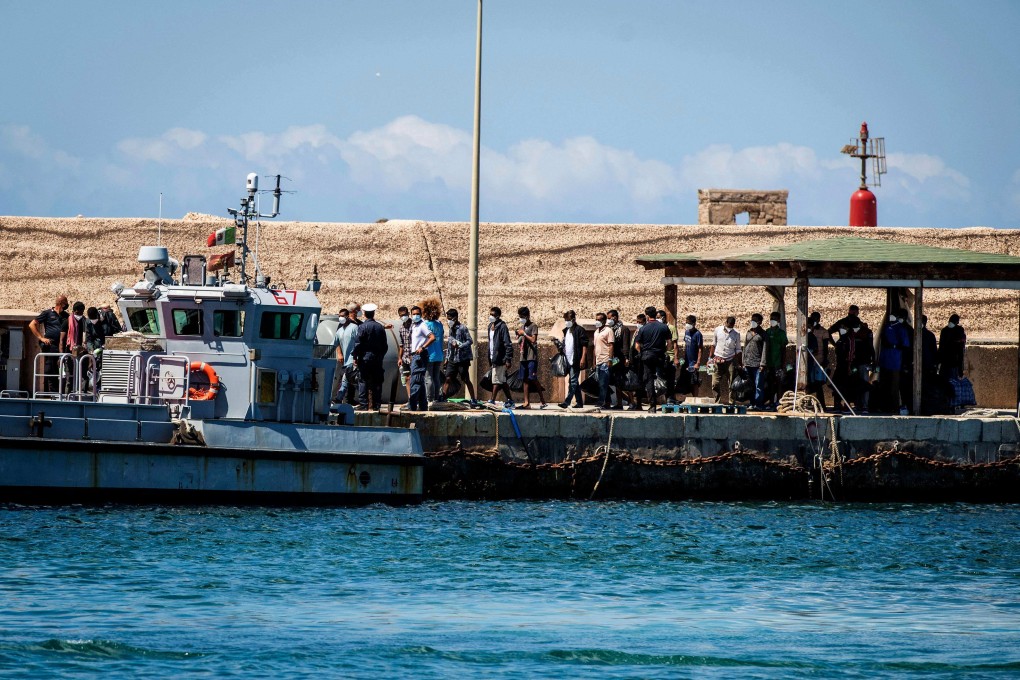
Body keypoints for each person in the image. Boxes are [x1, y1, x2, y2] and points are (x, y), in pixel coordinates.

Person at [633, 305, 672, 412]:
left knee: (649, 380)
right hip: (659, 355)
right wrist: (663, 350)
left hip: (647, 356)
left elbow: (637, 345)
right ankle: (666, 401)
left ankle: (652, 405)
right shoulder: (664, 327)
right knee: (662, 378)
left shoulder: (644, 328)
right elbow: (669, 343)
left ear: (646, 315)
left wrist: (643, 353)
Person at [352, 303, 388, 412]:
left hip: (365, 358)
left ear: (364, 314)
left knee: (363, 380)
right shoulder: (380, 327)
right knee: (377, 381)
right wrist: (380, 356)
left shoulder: (362, 327)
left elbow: (358, 343)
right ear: (373, 313)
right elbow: (385, 345)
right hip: (377, 359)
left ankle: (363, 404)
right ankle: (377, 404)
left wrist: (355, 356)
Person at [28, 295, 67, 393]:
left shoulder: (66, 316)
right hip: (50, 345)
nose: (67, 305)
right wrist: (41, 338)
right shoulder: (47, 313)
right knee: (50, 368)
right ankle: (52, 392)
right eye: (65, 303)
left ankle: (62, 391)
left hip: (62, 345)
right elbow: (32, 324)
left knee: (63, 369)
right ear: (61, 303)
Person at [878, 309, 911, 414]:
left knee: (894, 386)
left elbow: (905, 346)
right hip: (884, 361)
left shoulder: (902, 329)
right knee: (884, 385)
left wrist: (905, 362)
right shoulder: (887, 326)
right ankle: (884, 406)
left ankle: (895, 407)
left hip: (895, 362)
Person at [443, 308, 478, 405]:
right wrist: (447, 358)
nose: (449, 321)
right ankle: (443, 397)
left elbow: (470, 341)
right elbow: (450, 345)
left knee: (466, 379)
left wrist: (460, 345)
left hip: (462, 359)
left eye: (450, 318)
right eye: (448, 318)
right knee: (448, 378)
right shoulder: (451, 329)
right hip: (452, 359)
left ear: (455, 318)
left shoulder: (463, 328)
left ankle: (473, 399)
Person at [514, 307, 545, 409]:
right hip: (523, 356)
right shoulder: (522, 326)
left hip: (531, 356)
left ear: (527, 316)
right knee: (525, 379)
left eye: (522, 317)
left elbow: (533, 340)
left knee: (533, 378)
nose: (521, 319)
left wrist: (524, 334)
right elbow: (520, 341)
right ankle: (526, 402)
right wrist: (518, 336)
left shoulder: (533, 326)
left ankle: (542, 400)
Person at [558, 309, 588, 409]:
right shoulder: (566, 330)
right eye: (565, 320)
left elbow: (584, 345)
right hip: (568, 359)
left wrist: (583, 358)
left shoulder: (579, 330)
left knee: (573, 381)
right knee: (573, 382)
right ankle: (579, 402)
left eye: (568, 319)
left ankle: (567, 402)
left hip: (576, 359)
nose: (567, 322)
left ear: (574, 319)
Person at [406, 306, 434, 412]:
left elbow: (432, 337)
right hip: (415, 355)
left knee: (415, 381)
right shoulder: (414, 326)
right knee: (420, 382)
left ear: (421, 315)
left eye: (417, 314)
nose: (415, 316)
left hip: (420, 355)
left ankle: (412, 406)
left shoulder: (422, 325)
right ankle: (423, 406)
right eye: (413, 314)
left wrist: (422, 347)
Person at [709, 316, 741, 404]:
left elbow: (738, 349)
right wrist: (710, 358)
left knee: (732, 383)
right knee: (715, 383)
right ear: (725, 322)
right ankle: (717, 401)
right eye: (728, 325)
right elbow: (713, 344)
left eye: (731, 325)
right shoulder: (717, 330)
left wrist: (739, 363)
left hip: (730, 360)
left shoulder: (736, 334)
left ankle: (731, 402)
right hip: (717, 359)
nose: (729, 327)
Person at [761, 311, 788, 409]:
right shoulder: (767, 332)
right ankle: (771, 401)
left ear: (778, 321)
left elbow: (783, 349)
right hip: (768, 363)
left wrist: (783, 363)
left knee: (779, 383)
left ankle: (779, 401)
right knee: (770, 382)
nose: (772, 321)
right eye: (771, 319)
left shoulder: (781, 333)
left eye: (774, 319)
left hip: (777, 362)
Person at [487, 307, 514, 406]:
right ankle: (510, 400)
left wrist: (508, 359)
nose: (491, 317)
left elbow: (507, 343)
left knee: (496, 379)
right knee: (502, 380)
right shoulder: (490, 326)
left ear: (498, 316)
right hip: (493, 357)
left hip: (500, 358)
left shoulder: (502, 327)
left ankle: (492, 400)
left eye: (493, 315)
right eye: (490, 314)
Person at [331, 307, 358, 405]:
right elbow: (333, 344)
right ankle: (339, 398)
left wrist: (356, 357)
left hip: (353, 359)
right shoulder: (339, 331)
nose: (340, 318)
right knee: (348, 380)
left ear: (347, 316)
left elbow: (358, 343)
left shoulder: (354, 328)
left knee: (347, 379)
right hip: (345, 361)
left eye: (342, 316)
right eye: (339, 316)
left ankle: (338, 398)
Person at [421, 297, 445, 403]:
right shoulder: (439, 324)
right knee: (436, 377)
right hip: (439, 354)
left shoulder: (425, 325)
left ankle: (429, 398)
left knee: (428, 377)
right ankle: (436, 397)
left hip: (429, 354)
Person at [805, 311, 830, 409]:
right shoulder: (807, 333)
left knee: (818, 384)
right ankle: (807, 403)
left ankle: (822, 405)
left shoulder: (823, 331)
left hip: (819, 361)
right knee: (809, 382)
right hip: (808, 362)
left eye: (816, 319)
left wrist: (824, 359)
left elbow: (826, 347)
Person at [607, 310, 630, 409]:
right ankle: (619, 402)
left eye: (609, 318)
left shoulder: (623, 329)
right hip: (613, 359)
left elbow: (625, 345)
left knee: (622, 381)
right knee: (615, 381)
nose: (608, 320)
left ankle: (630, 401)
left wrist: (626, 358)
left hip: (620, 359)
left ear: (615, 317)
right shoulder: (610, 329)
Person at [592, 312, 615, 409]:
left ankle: (601, 402)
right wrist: (593, 361)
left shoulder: (608, 331)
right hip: (598, 360)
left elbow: (611, 345)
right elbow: (595, 347)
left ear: (604, 321)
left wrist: (610, 359)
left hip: (605, 360)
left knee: (603, 383)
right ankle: (607, 401)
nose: (597, 321)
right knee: (601, 383)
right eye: (596, 319)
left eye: (599, 320)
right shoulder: (596, 332)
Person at [654, 310, 678, 404]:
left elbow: (674, 344)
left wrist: (675, 357)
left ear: (663, 317)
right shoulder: (658, 328)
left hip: (670, 357)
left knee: (670, 379)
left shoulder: (671, 328)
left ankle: (670, 399)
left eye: (658, 317)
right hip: (660, 357)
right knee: (660, 379)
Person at [743, 313, 766, 408]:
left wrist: (762, 364)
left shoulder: (763, 334)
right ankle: (752, 402)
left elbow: (765, 349)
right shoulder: (748, 332)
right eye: (752, 320)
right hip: (748, 363)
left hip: (757, 364)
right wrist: (743, 361)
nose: (753, 322)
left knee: (758, 385)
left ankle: (758, 403)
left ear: (760, 322)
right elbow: (745, 347)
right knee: (750, 385)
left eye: (755, 320)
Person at [677, 315, 703, 399]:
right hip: (686, 361)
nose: (687, 325)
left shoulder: (698, 334)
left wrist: (698, 363)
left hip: (693, 363)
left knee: (694, 382)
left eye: (689, 323)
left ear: (694, 323)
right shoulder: (686, 332)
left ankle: (695, 398)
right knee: (684, 380)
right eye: (686, 323)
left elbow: (700, 349)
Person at [938, 313, 966, 380]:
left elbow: (941, 347)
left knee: (944, 383)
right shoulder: (959, 330)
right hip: (954, 363)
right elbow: (960, 351)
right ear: (957, 322)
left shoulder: (944, 330)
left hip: (944, 363)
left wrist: (938, 362)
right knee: (954, 384)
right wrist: (960, 370)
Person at [396, 306, 413, 395]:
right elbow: (401, 345)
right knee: (406, 378)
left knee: (414, 378)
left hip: (414, 356)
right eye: (401, 315)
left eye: (405, 315)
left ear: (408, 314)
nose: (404, 317)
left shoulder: (414, 326)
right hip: (405, 358)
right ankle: (410, 398)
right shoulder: (401, 328)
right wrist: (400, 358)